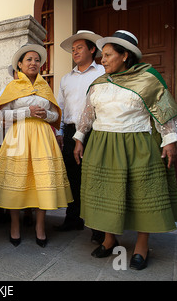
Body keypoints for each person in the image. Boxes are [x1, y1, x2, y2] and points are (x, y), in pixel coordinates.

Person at [73, 30, 177, 270]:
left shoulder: (147, 79)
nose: (102, 60)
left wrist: (170, 140)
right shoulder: (99, 83)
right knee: (107, 194)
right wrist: (80, 138)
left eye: (108, 55)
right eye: (102, 55)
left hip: (138, 144)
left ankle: (142, 246)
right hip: (102, 144)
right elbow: (87, 114)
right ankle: (109, 239)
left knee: (141, 194)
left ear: (125, 56)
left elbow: (165, 113)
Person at [0, 44, 73, 248]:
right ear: (20, 64)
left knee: (42, 181)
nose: (33, 63)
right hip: (18, 136)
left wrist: (47, 115)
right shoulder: (12, 88)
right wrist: (26, 112)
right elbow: (0, 116)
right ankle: (15, 225)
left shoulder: (45, 88)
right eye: (29, 60)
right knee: (17, 181)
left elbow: (55, 115)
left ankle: (40, 226)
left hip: (43, 137)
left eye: (37, 60)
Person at [55, 30, 106, 244]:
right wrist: (59, 133)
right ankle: (73, 218)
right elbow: (60, 106)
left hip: (95, 131)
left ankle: (98, 227)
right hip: (69, 130)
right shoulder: (67, 78)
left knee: (94, 177)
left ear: (92, 49)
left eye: (79, 48)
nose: (75, 52)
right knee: (72, 176)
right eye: (73, 49)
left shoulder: (103, 73)